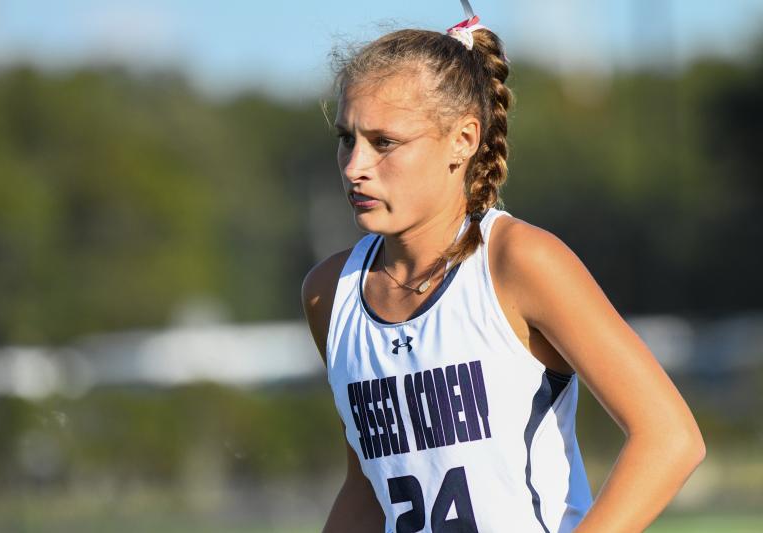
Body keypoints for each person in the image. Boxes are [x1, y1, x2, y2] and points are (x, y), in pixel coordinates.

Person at [301, 5, 705, 532]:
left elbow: (670, 438)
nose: (356, 166)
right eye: (346, 139)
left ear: (463, 140)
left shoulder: (519, 261)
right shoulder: (329, 293)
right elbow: (367, 489)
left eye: (385, 142)